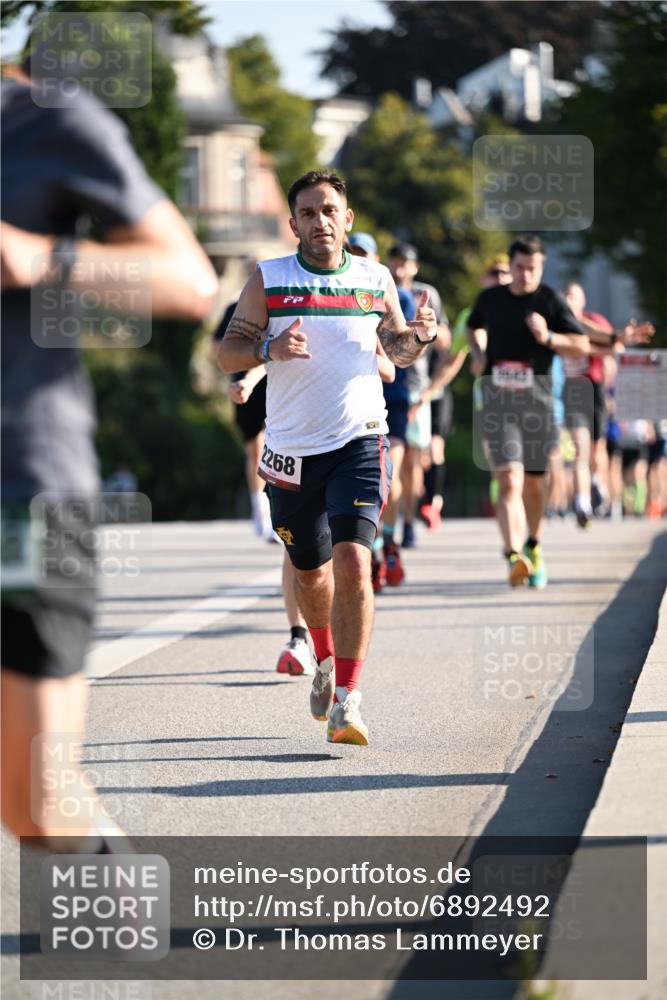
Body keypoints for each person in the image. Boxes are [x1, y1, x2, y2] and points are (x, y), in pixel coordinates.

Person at [1, 65, 218, 847]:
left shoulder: (43, 120)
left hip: (24, 491)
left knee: (37, 803)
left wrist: (42, 260)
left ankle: (114, 892)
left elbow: (190, 282)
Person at [217, 170, 437, 745]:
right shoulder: (269, 280)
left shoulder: (374, 278)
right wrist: (267, 346)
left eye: (329, 210)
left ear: (348, 218)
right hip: (290, 449)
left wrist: (420, 336)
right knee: (311, 576)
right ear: (293, 224)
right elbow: (227, 353)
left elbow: (396, 349)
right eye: (308, 213)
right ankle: (320, 656)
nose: (320, 221)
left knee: (353, 562)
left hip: (361, 440)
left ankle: (347, 696)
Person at [467, 235, 589, 588]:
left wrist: (548, 338)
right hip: (498, 404)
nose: (524, 275)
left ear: (542, 267)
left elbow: (580, 343)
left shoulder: (549, 300)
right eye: (519, 268)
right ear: (512, 265)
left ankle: (533, 546)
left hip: (538, 405)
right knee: (508, 481)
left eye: (532, 269)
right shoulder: (491, 298)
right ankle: (512, 555)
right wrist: (478, 351)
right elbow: (473, 325)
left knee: (536, 488)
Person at [213, 305, 318, 677]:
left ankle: (332, 646)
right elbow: (268, 354)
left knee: (346, 553)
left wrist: (415, 339)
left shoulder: (368, 296)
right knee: (297, 546)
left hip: (351, 443)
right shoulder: (287, 301)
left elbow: (389, 364)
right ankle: (298, 638)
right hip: (293, 440)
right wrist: (251, 380)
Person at [347, 233, 409, 589]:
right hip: (353, 403)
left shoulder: (394, 294)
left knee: (393, 477)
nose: (360, 260)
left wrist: (421, 336)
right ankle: (372, 547)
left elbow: (402, 351)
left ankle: (388, 542)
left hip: (395, 398)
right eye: (353, 254)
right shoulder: (335, 290)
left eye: (365, 255)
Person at [386, 243, 451, 547]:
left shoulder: (427, 293)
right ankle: (386, 528)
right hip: (381, 382)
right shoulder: (378, 287)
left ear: (415, 266)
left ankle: (409, 522)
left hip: (415, 385)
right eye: (396, 262)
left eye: (406, 263)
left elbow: (446, 340)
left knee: (413, 461)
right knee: (390, 462)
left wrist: (427, 329)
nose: (400, 269)